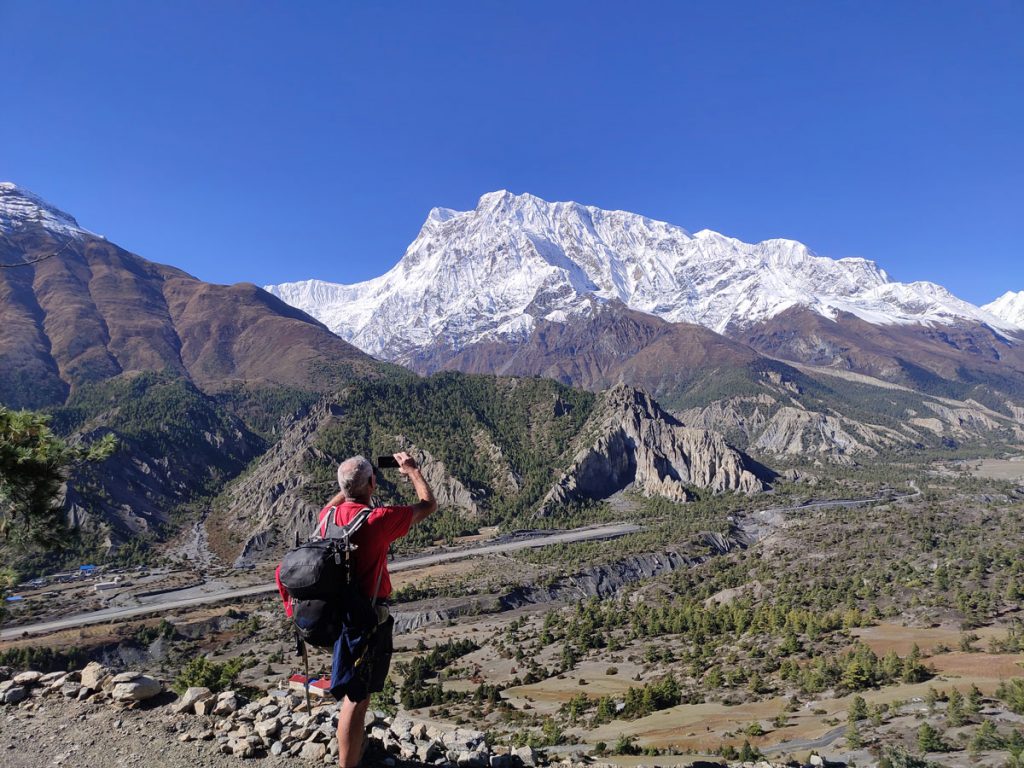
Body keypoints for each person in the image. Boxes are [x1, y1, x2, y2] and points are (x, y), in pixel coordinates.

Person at [321, 452, 436, 768]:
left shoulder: (327, 518)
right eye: (371, 480)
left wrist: (350, 486)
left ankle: (353, 755)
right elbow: (428, 504)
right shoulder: (378, 519)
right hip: (368, 619)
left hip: (340, 616)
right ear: (372, 484)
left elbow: (340, 500)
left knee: (354, 692)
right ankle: (348, 764)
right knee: (357, 699)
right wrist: (412, 471)